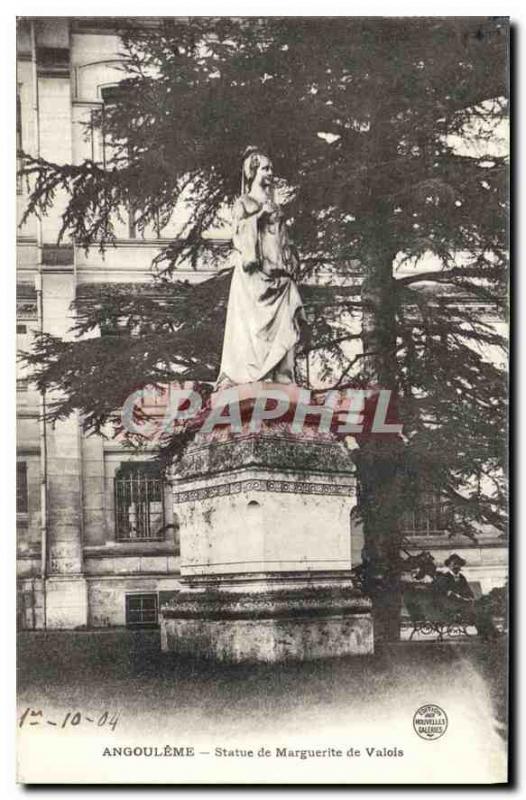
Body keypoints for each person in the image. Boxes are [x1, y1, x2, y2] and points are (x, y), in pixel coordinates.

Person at [216, 147, 305, 387]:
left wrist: (291, 259)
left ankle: (283, 377)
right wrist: (258, 217)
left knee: (287, 319)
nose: (270, 173)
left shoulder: (276, 207)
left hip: (279, 277)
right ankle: (256, 375)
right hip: (253, 278)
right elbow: (238, 236)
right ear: (252, 172)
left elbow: (283, 240)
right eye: (265, 168)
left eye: (271, 168)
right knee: (254, 329)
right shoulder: (243, 203)